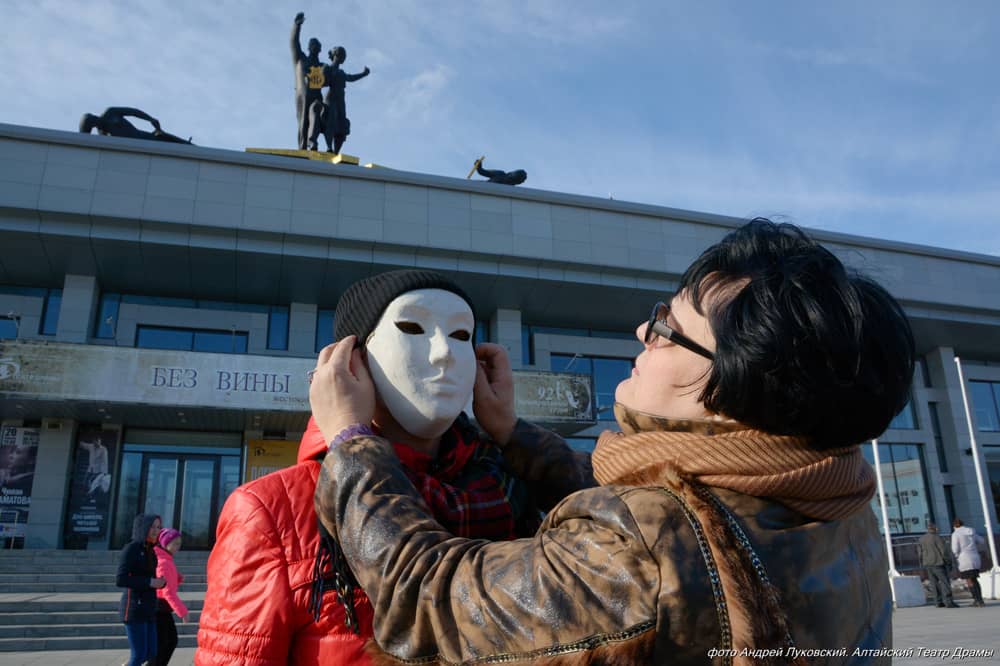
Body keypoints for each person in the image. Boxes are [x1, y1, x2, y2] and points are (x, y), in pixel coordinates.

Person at [311, 218, 915, 663]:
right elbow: (686, 518)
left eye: (666, 331)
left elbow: (430, 597)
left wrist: (353, 442)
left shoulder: (640, 553)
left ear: (735, 387)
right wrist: (512, 435)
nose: (641, 332)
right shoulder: (837, 494)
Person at [195, 270, 582, 665]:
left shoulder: (517, 487)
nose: (444, 353)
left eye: (461, 335)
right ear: (352, 360)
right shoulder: (271, 511)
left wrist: (512, 432)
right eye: (412, 328)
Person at [117, 513, 166, 666]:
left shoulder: (151, 551)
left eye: (158, 527)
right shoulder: (131, 548)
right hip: (133, 609)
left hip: (149, 608)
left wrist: (161, 583)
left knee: (151, 653)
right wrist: (150, 582)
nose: (155, 530)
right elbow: (121, 579)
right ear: (143, 527)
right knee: (138, 656)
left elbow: (151, 579)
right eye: (152, 526)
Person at [315, 47, 370, 154]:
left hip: (340, 101)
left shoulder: (341, 72)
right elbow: (320, 83)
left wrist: (363, 74)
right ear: (336, 55)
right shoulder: (328, 68)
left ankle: (336, 151)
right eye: (342, 55)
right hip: (331, 98)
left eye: (344, 56)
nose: (343, 58)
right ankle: (329, 147)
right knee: (330, 122)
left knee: (342, 125)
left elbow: (351, 78)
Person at [291, 13, 326, 150]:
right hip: (303, 95)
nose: (315, 46)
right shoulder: (301, 59)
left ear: (320, 49)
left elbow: (332, 79)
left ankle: (313, 141)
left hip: (316, 95)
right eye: (312, 44)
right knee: (303, 122)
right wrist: (297, 26)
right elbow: (294, 43)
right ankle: (302, 148)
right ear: (309, 47)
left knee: (316, 114)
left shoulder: (322, 66)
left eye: (317, 45)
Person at [153, 528, 188, 665]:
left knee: (169, 642)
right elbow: (167, 592)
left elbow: (167, 582)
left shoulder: (166, 559)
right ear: (165, 543)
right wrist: (182, 612)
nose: (177, 547)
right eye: (175, 543)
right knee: (165, 644)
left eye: (179, 544)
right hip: (159, 608)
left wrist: (177, 578)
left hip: (163, 609)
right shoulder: (164, 562)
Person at [79, 108, 191, 144]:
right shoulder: (103, 135)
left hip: (143, 136)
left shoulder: (110, 113)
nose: (95, 119)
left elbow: (133, 112)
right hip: (139, 148)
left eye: (93, 117)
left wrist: (150, 119)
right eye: (92, 122)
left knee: (168, 139)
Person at [919, 522, 958, 607]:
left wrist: (922, 562)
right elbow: (943, 551)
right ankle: (948, 601)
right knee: (944, 582)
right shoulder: (937, 538)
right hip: (938, 563)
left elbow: (920, 553)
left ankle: (938, 601)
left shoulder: (922, 539)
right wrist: (948, 561)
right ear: (935, 528)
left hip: (928, 564)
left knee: (934, 583)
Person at [951, 518, 986, 607]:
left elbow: (955, 549)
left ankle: (977, 600)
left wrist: (956, 555)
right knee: (975, 579)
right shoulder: (971, 531)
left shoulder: (956, 534)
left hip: (964, 558)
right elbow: (982, 541)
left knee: (969, 580)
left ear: (954, 525)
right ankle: (980, 599)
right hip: (975, 557)